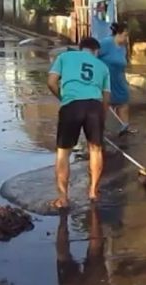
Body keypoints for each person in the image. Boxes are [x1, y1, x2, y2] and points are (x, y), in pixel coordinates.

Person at [47, 37, 111, 208]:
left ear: (80, 48)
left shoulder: (65, 57)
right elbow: (106, 98)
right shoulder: (103, 67)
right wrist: (101, 116)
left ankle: (63, 199)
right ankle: (93, 192)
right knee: (96, 150)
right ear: (96, 51)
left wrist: (64, 98)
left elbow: (51, 82)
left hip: (71, 106)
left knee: (63, 153)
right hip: (94, 107)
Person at [98, 22, 135, 136]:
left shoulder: (123, 47)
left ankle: (124, 127)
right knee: (105, 104)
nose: (126, 38)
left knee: (123, 103)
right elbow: (93, 56)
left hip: (118, 78)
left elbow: (122, 64)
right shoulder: (106, 43)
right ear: (118, 34)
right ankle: (101, 128)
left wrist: (125, 80)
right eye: (125, 35)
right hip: (105, 79)